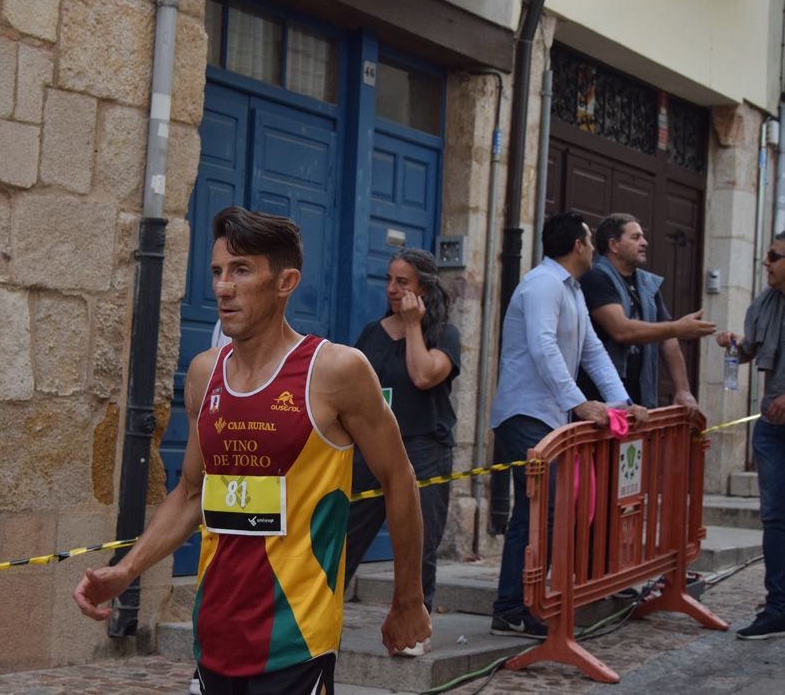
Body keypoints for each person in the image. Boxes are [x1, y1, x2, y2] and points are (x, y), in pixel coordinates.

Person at [73, 206, 430, 694]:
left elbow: (399, 479)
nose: (223, 287)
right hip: (215, 634)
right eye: (218, 272)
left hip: (296, 638)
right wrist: (126, 570)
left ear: (285, 282)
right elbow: (191, 493)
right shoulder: (204, 373)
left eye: (241, 271)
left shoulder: (336, 371)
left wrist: (407, 599)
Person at [488, 211, 648, 638]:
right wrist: (579, 404)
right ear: (577, 245)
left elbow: (593, 351)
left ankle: (521, 603)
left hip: (549, 414)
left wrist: (620, 403)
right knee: (542, 509)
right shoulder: (542, 285)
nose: (594, 248)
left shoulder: (572, 289)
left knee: (542, 510)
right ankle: (512, 606)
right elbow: (542, 347)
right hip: (525, 414)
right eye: (590, 241)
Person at [343, 248, 460, 656]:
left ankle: (414, 625)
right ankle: (318, 616)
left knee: (417, 540)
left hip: (424, 447)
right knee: (343, 533)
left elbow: (423, 374)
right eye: (390, 280)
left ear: (423, 288)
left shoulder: (444, 335)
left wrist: (413, 324)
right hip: (371, 449)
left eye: (403, 282)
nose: (392, 289)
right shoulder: (372, 332)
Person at [715, 231, 785, 640]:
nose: (766, 263)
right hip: (772, 429)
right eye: (766, 256)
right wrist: (734, 343)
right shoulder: (765, 302)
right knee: (775, 518)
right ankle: (778, 605)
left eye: (774, 256)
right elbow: (751, 351)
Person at [578, 213, 715, 411]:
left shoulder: (646, 283)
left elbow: (668, 338)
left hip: (640, 396)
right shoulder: (596, 277)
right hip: (601, 398)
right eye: (635, 238)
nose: (645, 243)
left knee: (634, 444)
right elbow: (622, 330)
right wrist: (677, 327)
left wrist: (682, 390)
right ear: (614, 245)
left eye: (642, 237)